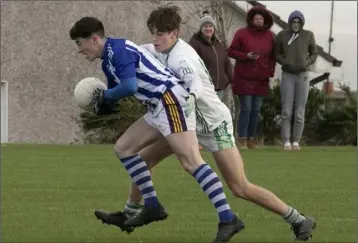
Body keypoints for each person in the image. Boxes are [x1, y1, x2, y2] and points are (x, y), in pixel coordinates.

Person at [93, 6, 316, 242]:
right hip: (182, 120)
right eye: (153, 33)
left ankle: (299, 220)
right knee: (144, 159)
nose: (155, 39)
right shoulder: (158, 49)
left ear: (174, 34)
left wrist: (191, 97)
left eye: (161, 34)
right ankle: (131, 211)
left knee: (239, 187)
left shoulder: (181, 57)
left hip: (212, 123)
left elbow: (194, 83)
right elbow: (137, 53)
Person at [69, 16, 240, 243]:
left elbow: (129, 86)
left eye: (80, 44)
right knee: (124, 148)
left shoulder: (117, 50)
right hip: (158, 106)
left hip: (170, 101)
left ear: (94, 39)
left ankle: (228, 218)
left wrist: (105, 96)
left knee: (191, 162)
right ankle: (151, 205)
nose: (80, 50)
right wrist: (102, 104)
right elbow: (117, 94)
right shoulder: (107, 60)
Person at [227, 6, 276, 149]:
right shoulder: (242, 33)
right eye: (256, 19)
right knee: (246, 108)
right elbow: (231, 51)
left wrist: (270, 72)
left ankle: (251, 139)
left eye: (261, 19)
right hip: (244, 78)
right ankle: (241, 138)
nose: (259, 21)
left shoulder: (270, 36)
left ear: (265, 20)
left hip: (261, 79)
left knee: (256, 109)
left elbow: (273, 57)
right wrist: (245, 56)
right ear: (251, 20)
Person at [275, 10, 318, 151]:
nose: (295, 24)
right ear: (290, 23)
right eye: (293, 22)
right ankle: (286, 141)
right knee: (286, 110)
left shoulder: (308, 35)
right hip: (287, 75)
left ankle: (296, 141)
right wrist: (284, 62)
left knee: (300, 111)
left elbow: (314, 52)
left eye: (298, 22)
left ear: (301, 23)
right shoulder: (282, 35)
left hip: (303, 75)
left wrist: (309, 61)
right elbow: (276, 54)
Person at [188, 11, 233, 113]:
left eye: (210, 26)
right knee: (207, 115)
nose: (208, 29)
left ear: (214, 28)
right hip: (205, 88)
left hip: (220, 88)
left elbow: (226, 62)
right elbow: (190, 63)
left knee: (217, 115)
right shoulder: (195, 43)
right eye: (205, 26)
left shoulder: (218, 44)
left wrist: (230, 79)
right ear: (201, 28)